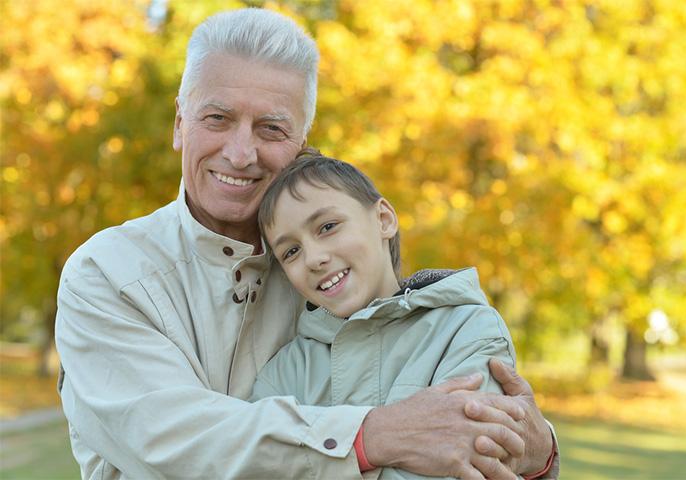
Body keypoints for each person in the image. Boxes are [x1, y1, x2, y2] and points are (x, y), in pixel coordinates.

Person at [54, 8, 558, 480]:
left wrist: (536, 452)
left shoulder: (337, 275)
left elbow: (449, 426)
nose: (241, 152)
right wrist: (373, 436)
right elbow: (172, 440)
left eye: (271, 128)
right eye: (217, 118)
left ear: (301, 143)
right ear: (180, 123)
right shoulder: (105, 274)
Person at [251, 150, 526, 480]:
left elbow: (468, 459)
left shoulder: (465, 330)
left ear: (383, 219)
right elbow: (258, 466)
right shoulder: (286, 370)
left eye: (327, 226)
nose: (313, 258)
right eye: (290, 251)